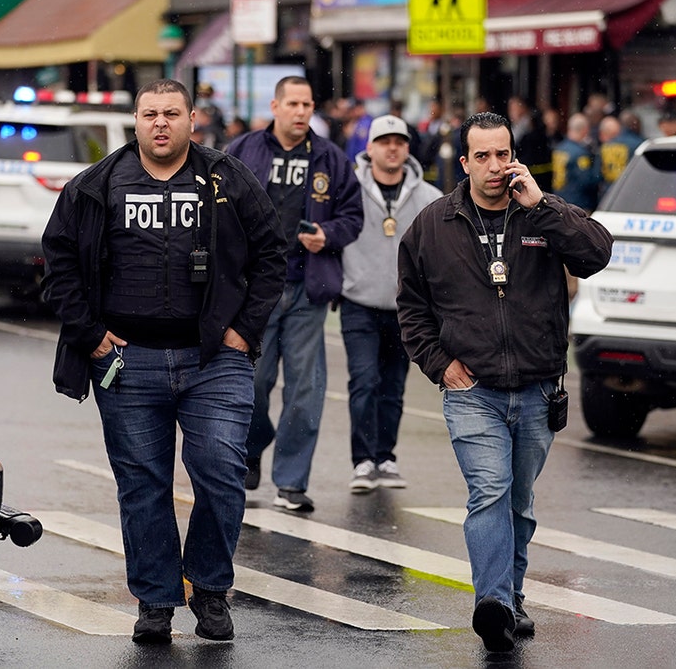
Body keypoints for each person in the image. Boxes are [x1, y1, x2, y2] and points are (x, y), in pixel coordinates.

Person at [41, 79, 287, 644]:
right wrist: (92, 335)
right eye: (150, 114)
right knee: (143, 485)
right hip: (127, 363)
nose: (160, 124)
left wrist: (243, 333)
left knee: (224, 473)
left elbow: (272, 253)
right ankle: (155, 601)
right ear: (135, 120)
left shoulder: (226, 178)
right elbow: (59, 264)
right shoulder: (98, 185)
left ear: (191, 119)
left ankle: (209, 588)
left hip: (214, 361)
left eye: (171, 114)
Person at [396, 111, 612, 652]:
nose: (496, 166)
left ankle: (511, 597)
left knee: (518, 501)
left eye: (504, 154)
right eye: (483, 156)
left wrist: (542, 205)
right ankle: (491, 603)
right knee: (488, 493)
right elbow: (411, 306)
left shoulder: (542, 213)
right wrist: (440, 364)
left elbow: (596, 254)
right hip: (473, 392)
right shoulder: (432, 225)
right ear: (464, 162)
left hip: (539, 387)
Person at [227, 76, 364, 512]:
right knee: (253, 383)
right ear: (276, 106)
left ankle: (291, 482)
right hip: (255, 290)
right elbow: (218, 208)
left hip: (309, 287)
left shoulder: (330, 158)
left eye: (308, 104)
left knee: (306, 389)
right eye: (293, 103)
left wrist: (328, 234)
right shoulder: (244, 150)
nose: (302, 111)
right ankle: (249, 451)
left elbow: (353, 216)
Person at [342, 115, 443, 493]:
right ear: (370, 148)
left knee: (393, 387)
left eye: (399, 141)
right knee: (364, 381)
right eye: (384, 141)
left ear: (407, 148)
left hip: (407, 309)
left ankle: (386, 456)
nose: (392, 148)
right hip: (359, 302)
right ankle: (363, 460)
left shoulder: (428, 196)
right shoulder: (348, 189)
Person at [552, 112, 601, 211]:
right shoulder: (581, 154)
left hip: (559, 200)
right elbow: (587, 181)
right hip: (577, 204)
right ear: (585, 130)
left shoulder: (559, 148)